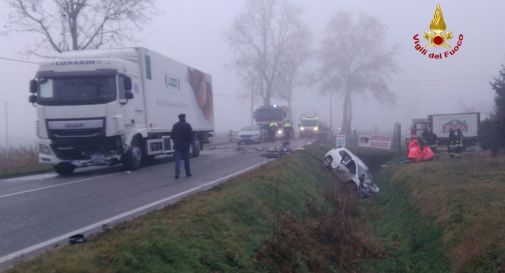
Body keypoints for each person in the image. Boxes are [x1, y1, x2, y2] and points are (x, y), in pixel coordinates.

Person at [171, 113, 193, 179]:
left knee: (177, 160)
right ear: (184, 118)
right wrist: (189, 142)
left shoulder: (175, 125)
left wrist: (175, 141)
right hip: (186, 146)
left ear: (179, 118)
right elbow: (190, 136)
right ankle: (188, 173)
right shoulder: (187, 125)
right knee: (186, 160)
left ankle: (177, 174)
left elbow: (172, 136)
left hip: (177, 146)